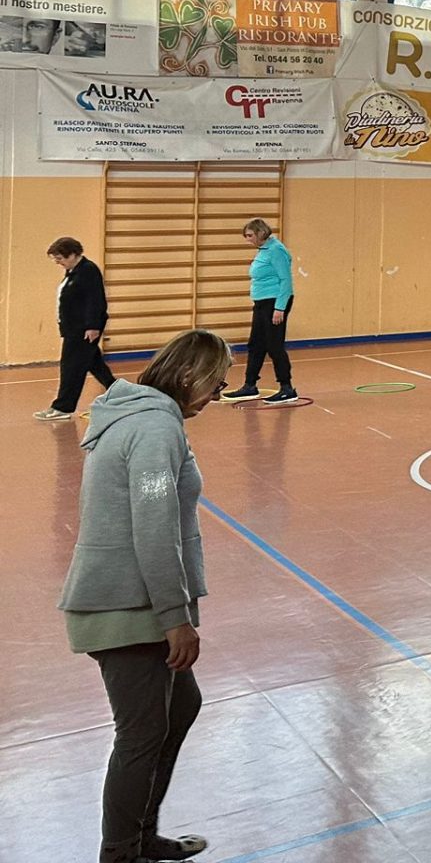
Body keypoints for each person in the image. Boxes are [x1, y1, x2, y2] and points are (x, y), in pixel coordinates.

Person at [60, 329, 233, 863]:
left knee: (181, 705)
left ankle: (139, 837)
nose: (218, 394)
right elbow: (153, 526)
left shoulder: (139, 414)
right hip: (125, 605)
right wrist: (175, 616)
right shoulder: (156, 428)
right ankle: (120, 853)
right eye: (216, 383)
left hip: (130, 597)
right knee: (141, 733)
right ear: (188, 376)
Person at [36, 236, 115, 421]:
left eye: (60, 258)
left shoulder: (88, 271)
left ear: (73, 254)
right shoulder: (73, 271)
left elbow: (95, 300)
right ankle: (124, 394)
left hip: (82, 330)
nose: (58, 262)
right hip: (73, 329)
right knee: (96, 365)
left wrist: (93, 326)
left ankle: (63, 408)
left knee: (71, 368)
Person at [221, 220, 298, 405]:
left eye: (250, 236)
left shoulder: (276, 250)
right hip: (262, 303)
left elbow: (286, 281)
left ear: (260, 232)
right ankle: (250, 385)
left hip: (274, 303)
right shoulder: (264, 250)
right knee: (256, 344)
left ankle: (287, 388)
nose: (248, 240)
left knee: (274, 345)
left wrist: (280, 308)